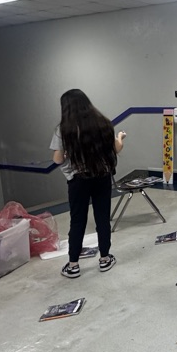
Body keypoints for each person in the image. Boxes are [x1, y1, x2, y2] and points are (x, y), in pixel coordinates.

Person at [50, 89, 124, 278]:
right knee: (102, 218)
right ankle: (105, 259)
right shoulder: (103, 123)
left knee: (77, 220)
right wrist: (119, 139)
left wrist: (67, 152)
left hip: (78, 180)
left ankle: (73, 264)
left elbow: (58, 159)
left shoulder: (63, 129)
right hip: (102, 177)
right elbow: (116, 149)